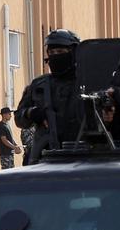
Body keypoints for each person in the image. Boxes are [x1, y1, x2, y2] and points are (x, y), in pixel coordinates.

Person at [16, 29, 83, 164]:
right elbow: (19, 118)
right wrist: (31, 113)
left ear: (74, 53)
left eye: (60, 52)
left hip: (82, 154)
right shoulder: (39, 85)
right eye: (51, 53)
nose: (55, 56)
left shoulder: (87, 82)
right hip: (45, 158)